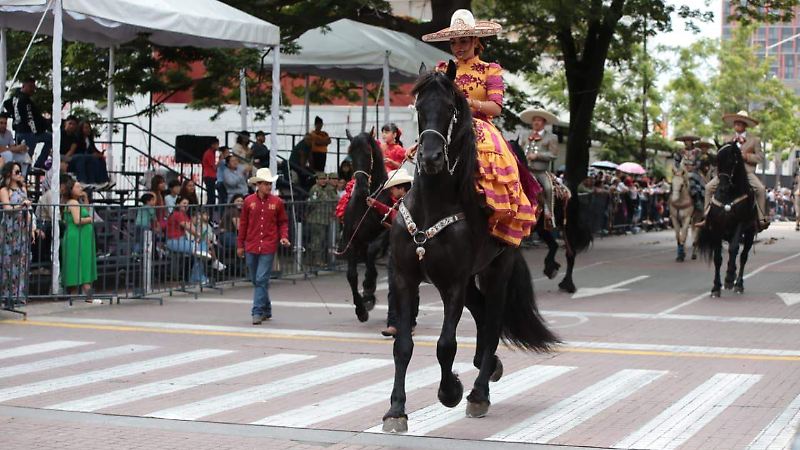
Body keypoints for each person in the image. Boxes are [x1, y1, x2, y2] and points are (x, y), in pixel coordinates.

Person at [422, 9, 538, 246]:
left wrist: (469, 103)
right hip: (446, 124)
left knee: (493, 153)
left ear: (475, 41)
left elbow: (496, 108)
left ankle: (488, 202)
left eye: (463, 41)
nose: (458, 47)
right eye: (453, 42)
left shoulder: (489, 70)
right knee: (419, 150)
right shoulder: (442, 69)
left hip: (479, 124)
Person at [365, 168, 419, 337]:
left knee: (410, 289)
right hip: (397, 249)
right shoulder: (399, 202)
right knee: (393, 287)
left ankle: (409, 322)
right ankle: (393, 323)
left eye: (394, 188)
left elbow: (399, 218)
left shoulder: (415, 202)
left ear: (402, 188)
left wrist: (378, 206)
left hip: (411, 251)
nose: (391, 192)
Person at [237, 168, 290, 325]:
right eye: (265, 184)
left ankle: (257, 311)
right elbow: (243, 224)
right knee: (256, 279)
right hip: (251, 244)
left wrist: (284, 236)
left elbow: (283, 222)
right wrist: (240, 244)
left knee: (260, 279)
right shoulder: (248, 201)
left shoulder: (277, 202)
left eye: (269, 184)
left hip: (268, 244)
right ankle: (266, 307)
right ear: (258, 185)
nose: (268, 187)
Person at [703, 111, 769, 231]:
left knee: (760, 189)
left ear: (745, 125)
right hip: (728, 173)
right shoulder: (727, 138)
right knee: (708, 188)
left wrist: (746, 156)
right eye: (735, 123)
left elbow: (760, 157)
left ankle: (761, 218)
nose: (737, 125)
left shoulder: (754, 140)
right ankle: (706, 216)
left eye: (740, 123)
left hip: (746, 173)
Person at [0, 162, 33, 306]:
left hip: (22, 228)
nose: (20, 175)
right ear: (9, 174)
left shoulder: (22, 190)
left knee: (22, 262)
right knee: (8, 262)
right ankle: (7, 295)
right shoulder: (4, 190)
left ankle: (19, 294)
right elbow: (7, 208)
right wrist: (21, 206)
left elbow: (28, 211)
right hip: (9, 228)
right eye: (17, 172)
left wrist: (31, 228)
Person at [520, 107, 560, 229]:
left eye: (539, 120)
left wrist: (537, 155)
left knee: (548, 188)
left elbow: (553, 155)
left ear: (544, 123)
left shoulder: (551, 137)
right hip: (526, 171)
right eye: (534, 120)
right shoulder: (525, 135)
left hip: (541, 171)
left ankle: (548, 214)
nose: (536, 123)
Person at [61, 177, 98, 302]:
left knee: (82, 262)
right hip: (77, 236)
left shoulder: (77, 202)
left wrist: (86, 198)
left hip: (82, 236)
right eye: (77, 187)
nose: (80, 188)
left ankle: (76, 293)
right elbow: (78, 220)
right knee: (79, 262)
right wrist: (90, 220)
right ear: (71, 190)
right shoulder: (72, 203)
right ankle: (86, 293)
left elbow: (86, 211)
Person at [3, 77, 52, 169]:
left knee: (23, 155)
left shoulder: (15, 98)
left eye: (34, 87)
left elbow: (6, 104)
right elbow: (30, 118)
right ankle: (33, 167)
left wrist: (14, 115)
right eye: (30, 87)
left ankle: (31, 167)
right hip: (28, 132)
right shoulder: (25, 100)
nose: (32, 90)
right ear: (24, 86)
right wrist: (35, 131)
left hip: (19, 130)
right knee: (26, 157)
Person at [166, 197, 211, 285]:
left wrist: (200, 238)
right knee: (201, 250)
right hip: (174, 241)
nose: (186, 205)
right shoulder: (177, 214)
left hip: (181, 240)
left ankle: (197, 276)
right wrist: (201, 237)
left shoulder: (183, 215)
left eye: (187, 203)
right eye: (184, 203)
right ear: (178, 204)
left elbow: (192, 228)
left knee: (201, 251)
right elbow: (190, 228)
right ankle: (197, 277)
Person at [305, 172, 333, 267]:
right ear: (317, 180)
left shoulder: (323, 189)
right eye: (321, 179)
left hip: (322, 219)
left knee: (320, 240)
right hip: (316, 219)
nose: (323, 180)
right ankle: (316, 260)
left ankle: (314, 260)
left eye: (324, 178)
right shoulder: (315, 189)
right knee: (317, 240)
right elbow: (312, 203)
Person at [201, 138, 220, 205]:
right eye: (217, 144)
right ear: (213, 145)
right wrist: (220, 160)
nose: (218, 146)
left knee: (211, 194)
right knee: (211, 195)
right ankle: (210, 210)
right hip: (209, 176)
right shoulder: (209, 153)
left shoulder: (212, 153)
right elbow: (214, 167)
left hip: (210, 176)